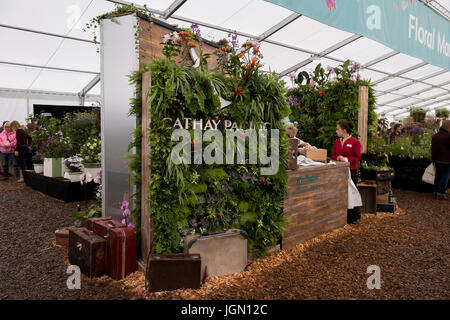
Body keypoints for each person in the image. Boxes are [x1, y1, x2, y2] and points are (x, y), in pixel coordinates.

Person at [332, 121, 362, 224]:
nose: (336, 131)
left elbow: (357, 157)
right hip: (339, 171)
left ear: (344, 131)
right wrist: (338, 158)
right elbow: (333, 155)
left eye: (338, 129)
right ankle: (341, 216)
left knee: (352, 192)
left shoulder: (355, 142)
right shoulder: (336, 142)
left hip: (351, 170)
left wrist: (346, 159)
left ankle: (354, 217)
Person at [431, 120, 450, 200]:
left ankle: (436, 192)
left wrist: (433, 159)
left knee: (438, 176)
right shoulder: (448, 136)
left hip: (437, 159)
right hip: (446, 160)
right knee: (445, 177)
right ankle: (441, 193)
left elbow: (432, 149)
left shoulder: (435, 136)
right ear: (449, 127)